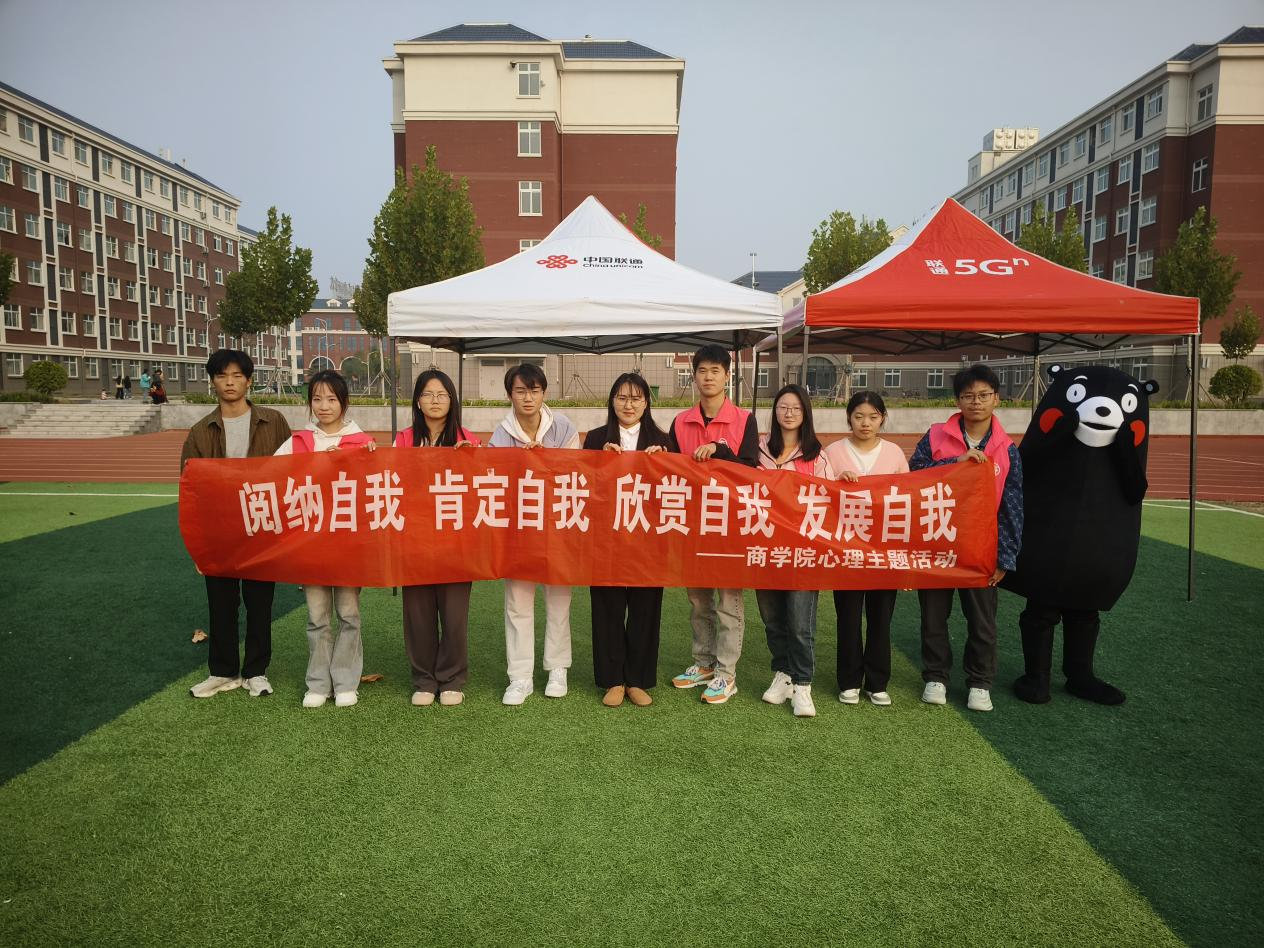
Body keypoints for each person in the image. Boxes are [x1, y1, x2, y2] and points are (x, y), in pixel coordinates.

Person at [909, 365, 1023, 713]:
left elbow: (1013, 505)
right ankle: (936, 677)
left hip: (981, 549)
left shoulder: (1007, 448)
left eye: (984, 395)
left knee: (982, 621)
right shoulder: (936, 436)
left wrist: (1005, 557)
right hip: (937, 543)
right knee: (933, 617)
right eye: (968, 395)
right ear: (958, 400)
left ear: (997, 399)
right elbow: (913, 476)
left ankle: (979, 682)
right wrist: (955, 462)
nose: (976, 402)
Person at [181, 349, 292, 699]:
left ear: (248, 381)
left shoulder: (274, 422)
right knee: (222, 604)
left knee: (260, 605)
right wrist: (198, 547)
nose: (229, 382)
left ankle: (256, 672)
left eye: (237, 376)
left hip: (262, 526)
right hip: (220, 533)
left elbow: (294, 472)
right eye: (222, 376)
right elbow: (190, 489)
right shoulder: (201, 431)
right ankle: (223, 671)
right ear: (212, 382)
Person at [275, 369, 375, 709]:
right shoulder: (297, 443)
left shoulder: (362, 442)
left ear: (344, 402)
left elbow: (375, 488)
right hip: (311, 545)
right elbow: (271, 477)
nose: (324, 406)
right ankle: (318, 683)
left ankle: (346, 681)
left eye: (331, 399)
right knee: (317, 617)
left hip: (348, 545)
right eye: (317, 399)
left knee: (348, 614)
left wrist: (365, 459)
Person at [667, 344, 759, 705]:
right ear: (694, 376)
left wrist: (721, 452)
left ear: (727, 376)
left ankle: (726, 673)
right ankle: (703, 662)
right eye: (702, 370)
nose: (708, 377)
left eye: (715, 371)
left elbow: (751, 471)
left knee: (729, 602)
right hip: (692, 523)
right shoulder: (680, 422)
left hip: (730, 524)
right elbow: (669, 471)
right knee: (698, 600)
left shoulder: (744, 420)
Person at [489, 362, 580, 705]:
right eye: (520, 391)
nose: (528, 398)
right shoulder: (501, 435)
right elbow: (494, 482)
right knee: (518, 603)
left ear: (544, 393)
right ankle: (520, 677)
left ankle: (557, 668)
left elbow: (576, 474)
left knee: (559, 600)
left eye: (534, 391)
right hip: (519, 532)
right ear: (509, 395)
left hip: (558, 528)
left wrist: (544, 461)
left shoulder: (564, 427)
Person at [394, 369, 480, 708]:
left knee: (455, 616)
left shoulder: (468, 440)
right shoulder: (404, 440)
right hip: (414, 540)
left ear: (452, 400)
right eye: (428, 394)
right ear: (417, 401)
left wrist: (470, 460)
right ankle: (424, 679)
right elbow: (391, 481)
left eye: (442, 394)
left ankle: (452, 678)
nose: (435, 400)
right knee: (418, 615)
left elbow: (480, 490)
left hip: (455, 543)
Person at [583, 373, 670, 708]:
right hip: (606, 540)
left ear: (646, 403)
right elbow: (582, 487)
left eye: (635, 398)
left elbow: (677, 491)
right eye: (621, 398)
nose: (628, 405)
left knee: (646, 609)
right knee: (608, 608)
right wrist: (599, 462)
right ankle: (613, 680)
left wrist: (663, 463)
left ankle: (637, 680)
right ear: (612, 401)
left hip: (648, 541)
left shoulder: (663, 440)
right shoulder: (595, 439)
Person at [823, 391, 909, 707]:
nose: (865, 423)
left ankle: (877, 682)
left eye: (873, 416)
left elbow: (908, 500)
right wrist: (837, 481)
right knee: (848, 618)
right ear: (849, 418)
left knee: (880, 618)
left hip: (884, 553)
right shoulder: (833, 452)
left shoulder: (894, 453)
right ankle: (849, 681)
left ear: (882, 418)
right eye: (858, 416)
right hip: (845, 551)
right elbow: (820, 495)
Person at [755, 384, 834, 718]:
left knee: (800, 623)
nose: (788, 413)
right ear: (774, 411)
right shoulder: (759, 450)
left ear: (806, 414)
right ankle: (783, 673)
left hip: (803, 552)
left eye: (796, 408)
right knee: (772, 620)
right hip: (765, 549)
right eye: (782, 407)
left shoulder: (817, 455)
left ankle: (803, 683)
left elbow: (829, 499)